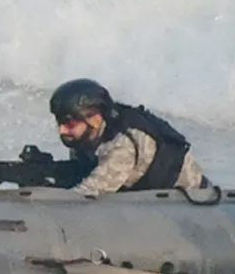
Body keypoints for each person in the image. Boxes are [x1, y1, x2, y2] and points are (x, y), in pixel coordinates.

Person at [48, 79, 209, 195]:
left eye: (69, 124)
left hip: (187, 199)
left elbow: (89, 193)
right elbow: (83, 171)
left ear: (95, 118)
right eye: (60, 123)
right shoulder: (88, 137)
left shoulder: (122, 146)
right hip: (146, 194)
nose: (62, 131)